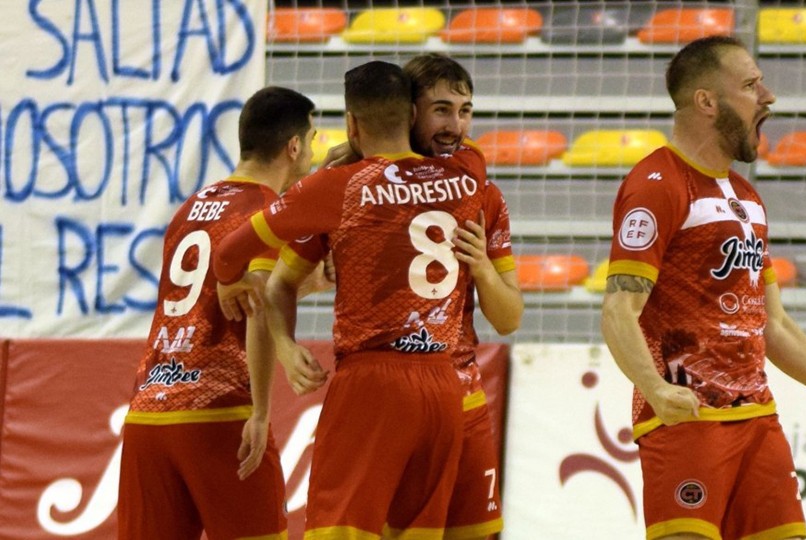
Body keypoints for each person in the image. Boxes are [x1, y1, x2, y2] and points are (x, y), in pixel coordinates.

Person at [600, 36, 806, 540]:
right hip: (688, 421)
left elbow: (774, 325)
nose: (768, 96)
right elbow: (618, 310)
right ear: (706, 101)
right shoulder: (658, 183)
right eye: (750, 84)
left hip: (758, 420)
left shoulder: (746, 197)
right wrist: (656, 390)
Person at [212, 60, 492, 540]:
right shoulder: (470, 171)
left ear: (351, 123)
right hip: (445, 385)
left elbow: (231, 250)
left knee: (338, 529)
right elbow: (453, 148)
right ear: (410, 116)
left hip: (372, 381)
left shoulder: (336, 187)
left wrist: (226, 280)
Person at [321, 52, 522, 540]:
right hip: (389, 400)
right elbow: (300, 275)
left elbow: (509, 317)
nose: (457, 126)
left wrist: (482, 269)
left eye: (466, 110)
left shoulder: (483, 195)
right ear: (408, 112)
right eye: (442, 110)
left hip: (462, 399)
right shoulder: (353, 187)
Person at [117, 86, 316, 540]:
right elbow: (260, 304)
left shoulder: (190, 209)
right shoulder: (268, 210)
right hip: (218, 413)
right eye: (312, 139)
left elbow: (217, 301)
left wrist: (300, 285)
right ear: (294, 146)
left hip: (148, 412)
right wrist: (262, 412)